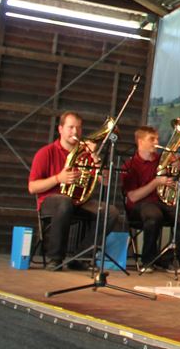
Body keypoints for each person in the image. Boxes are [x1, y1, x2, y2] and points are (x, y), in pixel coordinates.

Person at [27, 110, 122, 270]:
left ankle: (81, 257)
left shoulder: (86, 154)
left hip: (78, 201)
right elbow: (32, 187)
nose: (75, 132)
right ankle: (55, 259)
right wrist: (58, 179)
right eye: (70, 127)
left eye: (78, 128)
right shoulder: (46, 152)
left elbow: (104, 181)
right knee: (64, 202)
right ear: (60, 129)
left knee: (110, 212)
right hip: (51, 201)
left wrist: (95, 157)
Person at [122, 125, 180, 270]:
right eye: (152, 139)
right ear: (140, 141)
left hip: (161, 204)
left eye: (157, 139)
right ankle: (148, 259)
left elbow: (174, 182)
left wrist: (178, 168)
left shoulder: (162, 160)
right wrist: (156, 182)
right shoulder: (130, 164)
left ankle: (165, 257)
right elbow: (132, 196)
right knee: (153, 215)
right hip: (140, 206)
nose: (156, 142)